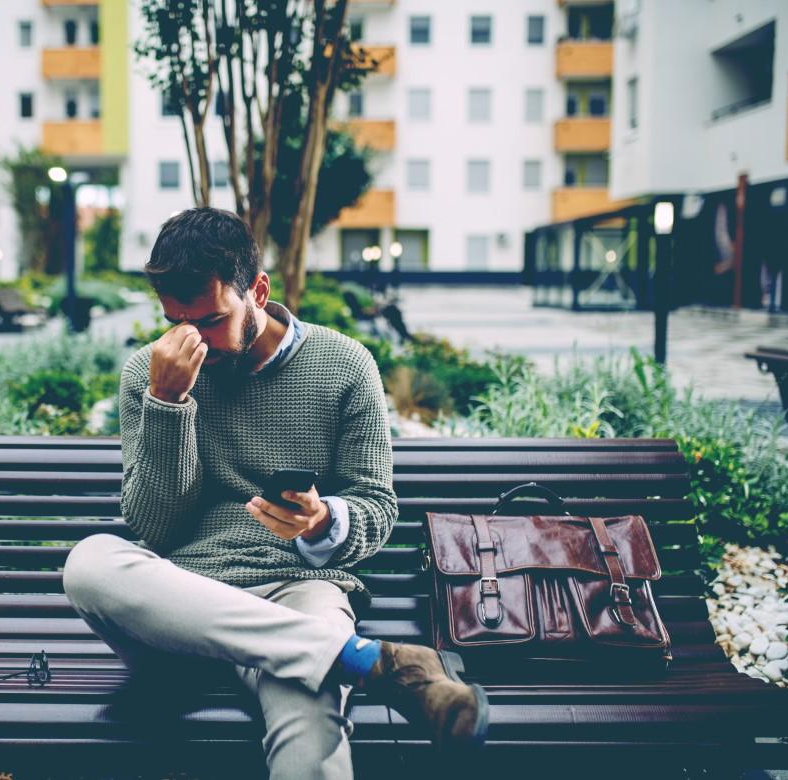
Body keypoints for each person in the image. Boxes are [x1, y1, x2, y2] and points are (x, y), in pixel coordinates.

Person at [62, 207, 488, 779]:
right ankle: (370, 664)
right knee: (90, 562)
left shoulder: (344, 364)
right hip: (182, 603)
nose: (191, 340)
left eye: (211, 320)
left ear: (257, 292)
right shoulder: (152, 373)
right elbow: (156, 528)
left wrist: (323, 521)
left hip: (299, 589)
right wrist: (167, 404)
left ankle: (332, 655)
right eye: (175, 321)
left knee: (310, 724)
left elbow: (376, 502)